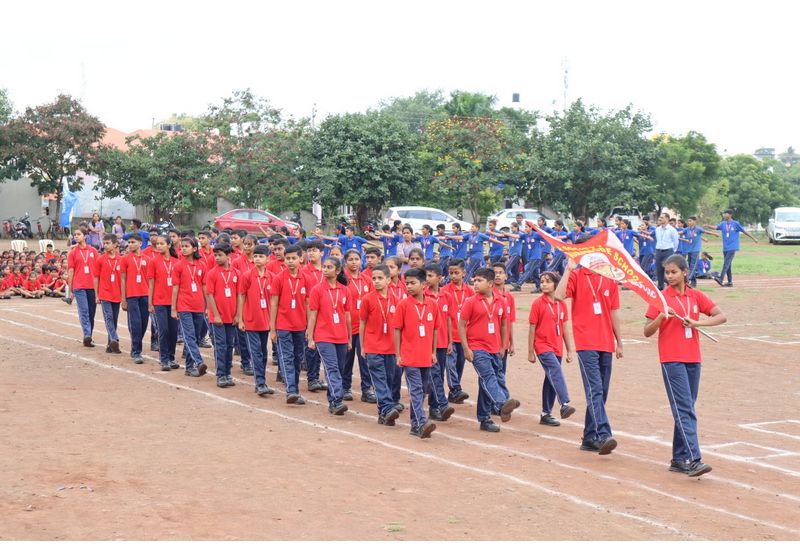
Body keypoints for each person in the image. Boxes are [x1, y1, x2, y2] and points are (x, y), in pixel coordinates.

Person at [644, 254, 726, 477]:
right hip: (672, 359)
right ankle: (694, 458)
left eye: (674, 272)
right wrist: (661, 317)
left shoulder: (695, 296)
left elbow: (721, 316)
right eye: (667, 273)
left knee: (687, 408)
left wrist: (698, 321)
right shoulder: (661, 298)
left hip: (693, 358)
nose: (669, 276)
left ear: (685, 272)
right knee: (684, 410)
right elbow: (647, 331)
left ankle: (679, 458)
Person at [554, 245, 623, 455]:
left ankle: (589, 437)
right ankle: (603, 434)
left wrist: (619, 341)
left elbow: (614, 312)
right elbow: (558, 296)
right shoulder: (576, 275)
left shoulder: (609, 278)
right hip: (586, 343)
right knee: (595, 389)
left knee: (602, 392)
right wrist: (568, 269)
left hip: (606, 342)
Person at [458, 267, 520, 432]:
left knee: (491, 380)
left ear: (490, 283)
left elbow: (504, 324)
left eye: (479, 281)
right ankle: (501, 404)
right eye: (475, 280)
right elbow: (462, 325)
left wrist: (503, 346)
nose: (475, 283)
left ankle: (485, 417)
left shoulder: (502, 301)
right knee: (488, 376)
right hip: (477, 348)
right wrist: (466, 348)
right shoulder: (470, 301)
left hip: (495, 348)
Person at [393, 267, 439, 438]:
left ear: (424, 284)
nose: (409, 287)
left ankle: (415, 424)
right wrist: (398, 354)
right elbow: (397, 330)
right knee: (416, 389)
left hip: (426, 356)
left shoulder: (432, 304)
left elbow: (435, 329)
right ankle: (421, 422)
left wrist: (433, 351)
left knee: (423, 389)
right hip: (409, 356)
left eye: (413, 283)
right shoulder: (403, 304)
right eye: (407, 284)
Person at [527, 271, 577, 427]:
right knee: (555, 371)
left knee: (551, 378)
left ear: (556, 284)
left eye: (547, 281)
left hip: (557, 347)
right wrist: (530, 351)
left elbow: (564, 328)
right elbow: (532, 328)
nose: (543, 284)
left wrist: (569, 350)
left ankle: (545, 413)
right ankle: (564, 404)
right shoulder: (538, 303)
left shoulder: (561, 304)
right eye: (541, 281)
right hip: (542, 346)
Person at [307, 256, 351, 415]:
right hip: (323, 336)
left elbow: (347, 316)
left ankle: (333, 401)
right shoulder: (317, 290)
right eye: (324, 267)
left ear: (338, 271)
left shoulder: (345, 290)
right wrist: (311, 337)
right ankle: (338, 399)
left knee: (339, 368)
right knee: (331, 367)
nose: (325, 270)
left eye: (329, 267)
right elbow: (313, 315)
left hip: (341, 336)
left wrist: (349, 339)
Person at [360, 264, 400, 425]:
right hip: (373, 346)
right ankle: (387, 408)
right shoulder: (367, 299)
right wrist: (363, 346)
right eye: (374, 278)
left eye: (380, 278)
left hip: (390, 347)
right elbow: (362, 322)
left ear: (388, 280)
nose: (376, 281)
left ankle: (383, 414)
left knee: (390, 378)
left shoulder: (396, 299)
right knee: (379, 378)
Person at [269, 244, 309, 404]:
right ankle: (291, 390)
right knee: (286, 356)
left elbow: (308, 304)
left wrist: (308, 328)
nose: (290, 261)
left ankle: (295, 389)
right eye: (288, 259)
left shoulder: (306, 278)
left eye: (294, 258)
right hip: (283, 325)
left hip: (300, 326)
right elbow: (273, 304)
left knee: (298, 357)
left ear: (301, 259)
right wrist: (273, 328)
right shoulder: (279, 278)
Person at [237, 244, 274, 395]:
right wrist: (241, 318)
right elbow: (241, 296)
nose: (257, 259)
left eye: (261, 256)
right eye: (256, 256)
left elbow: (274, 300)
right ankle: (260, 383)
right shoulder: (247, 275)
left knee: (264, 352)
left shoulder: (271, 277)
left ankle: (261, 380)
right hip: (251, 320)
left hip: (265, 320)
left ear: (267, 259)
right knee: (256, 352)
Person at [171, 237, 208, 378]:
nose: (184, 248)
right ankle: (198, 362)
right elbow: (175, 288)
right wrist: (174, 308)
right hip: (184, 305)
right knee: (189, 335)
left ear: (194, 249)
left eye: (187, 246)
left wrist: (207, 306)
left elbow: (204, 287)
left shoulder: (202, 265)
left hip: (198, 306)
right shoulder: (178, 266)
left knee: (196, 337)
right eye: (182, 246)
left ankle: (188, 367)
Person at [342, 249, 377, 402]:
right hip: (347, 326)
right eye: (351, 259)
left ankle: (366, 389)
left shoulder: (366, 279)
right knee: (347, 358)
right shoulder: (342, 279)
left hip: (365, 327)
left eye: (357, 259)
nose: (354, 262)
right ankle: (345, 387)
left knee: (364, 359)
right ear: (345, 261)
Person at [424, 263, 455, 422]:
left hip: (442, 342)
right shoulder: (423, 295)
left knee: (439, 375)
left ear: (440, 278)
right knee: (434, 374)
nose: (428, 279)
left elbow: (449, 319)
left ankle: (434, 407)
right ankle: (440, 405)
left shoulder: (446, 296)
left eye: (431, 276)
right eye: (426, 276)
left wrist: (450, 341)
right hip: (428, 342)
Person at [205, 244, 240, 387]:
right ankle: (221, 374)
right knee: (221, 345)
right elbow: (210, 295)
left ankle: (228, 373)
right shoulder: (212, 273)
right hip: (217, 318)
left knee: (229, 345)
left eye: (220, 255)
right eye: (215, 255)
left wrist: (238, 315)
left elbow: (239, 295)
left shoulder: (236, 273)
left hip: (231, 317)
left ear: (228, 256)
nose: (217, 258)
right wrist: (216, 315)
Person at [147, 235, 181, 371]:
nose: (159, 246)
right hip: (159, 301)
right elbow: (151, 284)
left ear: (169, 245)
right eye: (158, 244)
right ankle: (164, 359)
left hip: (173, 302)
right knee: (164, 330)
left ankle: (171, 357)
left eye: (162, 244)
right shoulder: (153, 262)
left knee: (173, 331)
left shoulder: (176, 261)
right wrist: (150, 303)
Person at [442, 258, 472, 404]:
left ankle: (454, 393)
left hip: (464, 335)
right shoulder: (445, 291)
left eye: (456, 273)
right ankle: (455, 388)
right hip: (450, 334)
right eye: (451, 273)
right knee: (450, 363)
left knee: (460, 363)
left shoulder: (470, 291)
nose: (453, 276)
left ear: (464, 273)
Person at [704, 209, 758, 287]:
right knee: (728, 265)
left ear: (730, 215)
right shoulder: (723, 224)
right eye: (723, 214)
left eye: (725, 214)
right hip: (725, 247)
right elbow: (715, 227)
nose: (724, 215)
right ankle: (730, 282)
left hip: (732, 247)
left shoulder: (735, 223)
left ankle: (721, 278)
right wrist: (708, 226)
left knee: (726, 263)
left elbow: (744, 231)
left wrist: (753, 238)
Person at [120, 233, 150, 364]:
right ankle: (137, 351)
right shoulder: (125, 259)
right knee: (136, 323)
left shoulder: (148, 259)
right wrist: (123, 298)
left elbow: (151, 280)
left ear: (140, 243)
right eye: (129, 242)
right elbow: (122, 279)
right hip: (131, 295)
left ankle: (136, 344)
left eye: (133, 242)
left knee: (144, 323)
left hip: (145, 294)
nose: (130, 245)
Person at [67, 228, 98, 347]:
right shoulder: (73, 252)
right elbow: (70, 270)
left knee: (91, 312)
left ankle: (89, 335)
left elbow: (98, 270)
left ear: (85, 236)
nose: (76, 236)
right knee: (84, 311)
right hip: (79, 286)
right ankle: (87, 335)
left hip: (92, 286)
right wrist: (71, 289)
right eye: (75, 234)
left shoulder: (93, 251)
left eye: (79, 234)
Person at [95, 234, 122, 354]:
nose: (105, 245)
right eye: (104, 243)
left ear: (115, 244)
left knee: (114, 319)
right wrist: (97, 294)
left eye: (108, 243)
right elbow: (96, 277)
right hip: (104, 293)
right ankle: (114, 338)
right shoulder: (100, 259)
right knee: (109, 317)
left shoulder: (121, 260)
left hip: (117, 293)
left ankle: (110, 345)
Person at [654, 213, 680, 291]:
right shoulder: (657, 229)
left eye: (662, 218)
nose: (660, 219)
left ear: (667, 219)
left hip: (668, 251)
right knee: (659, 269)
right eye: (660, 218)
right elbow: (657, 240)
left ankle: (671, 286)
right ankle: (660, 287)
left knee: (668, 269)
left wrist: (673, 250)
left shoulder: (672, 229)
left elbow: (676, 241)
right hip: (659, 251)